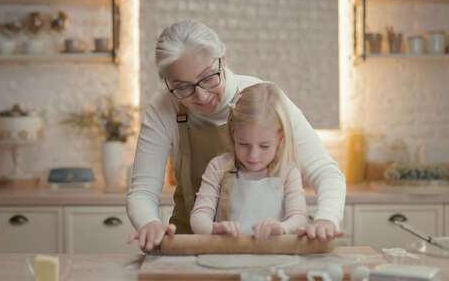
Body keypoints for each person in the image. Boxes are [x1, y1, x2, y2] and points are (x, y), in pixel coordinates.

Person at [127, 20, 346, 251]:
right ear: (167, 82)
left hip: (269, 248)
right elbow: (142, 190)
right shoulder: (164, 107)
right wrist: (149, 222)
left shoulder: (264, 101)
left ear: (223, 60)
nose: (201, 96)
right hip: (190, 245)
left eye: (208, 77)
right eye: (183, 87)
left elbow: (325, 171)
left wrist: (326, 219)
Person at [190, 83, 307, 239]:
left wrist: (282, 227)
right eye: (243, 144)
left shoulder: (288, 172)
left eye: (264, 146)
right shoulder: (219, 167)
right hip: (227, 258)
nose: (253, 156)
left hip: (274, 260)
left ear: (280, 138)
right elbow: (198, 218)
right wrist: (214, 228)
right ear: (233, 134)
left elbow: (299, 218)